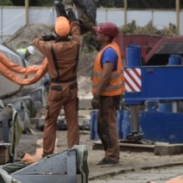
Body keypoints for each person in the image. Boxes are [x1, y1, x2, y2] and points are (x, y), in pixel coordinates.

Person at [33, 16, 82, 157]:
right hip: (72, 88)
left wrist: (48, 37)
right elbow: (77, 30)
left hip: (56, 89)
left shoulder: (50, 47)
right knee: (72, 123)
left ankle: (48, 154)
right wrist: (72, 18)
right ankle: (74, 154)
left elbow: (36, 40)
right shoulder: (75, 44)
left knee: (50, 122)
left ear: (56, 31)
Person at [92, 21, 124, 165]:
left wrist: (97, 95)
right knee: (102, 126)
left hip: (108, 95)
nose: (97, 34)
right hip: (108, 94)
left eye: (99, 32)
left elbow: (106, 75)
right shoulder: (110, 47)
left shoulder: (109, 52)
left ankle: (112, 157)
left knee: (108, 125)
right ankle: (110, 155)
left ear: (106, 37)